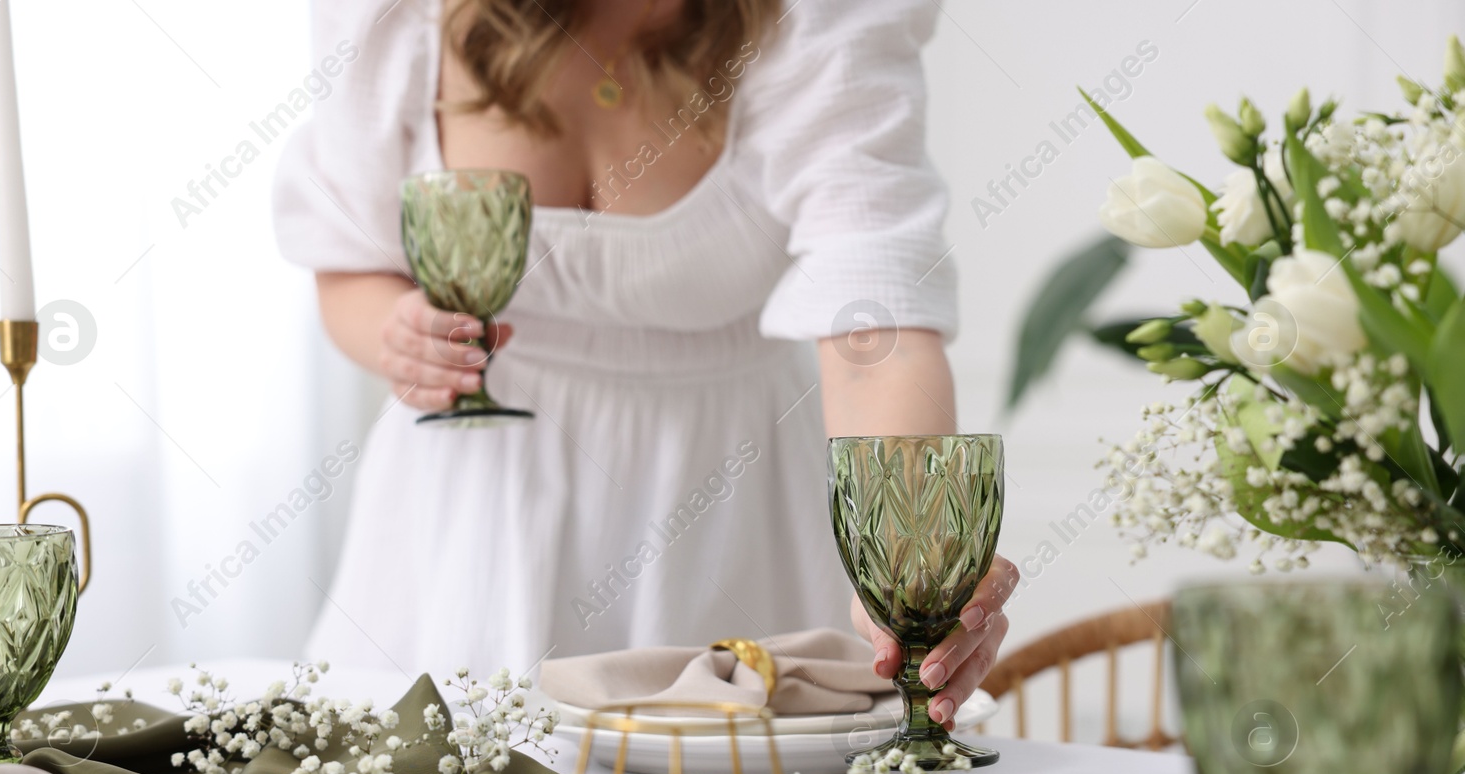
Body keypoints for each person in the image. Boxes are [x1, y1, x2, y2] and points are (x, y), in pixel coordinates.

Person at [273, 0, 1017, 725]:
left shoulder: (823, 17)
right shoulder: (390, 14)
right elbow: (346, 259)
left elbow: (874, 327)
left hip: (730, 512)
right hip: (457, 525)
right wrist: (393, 335)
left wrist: (911, 549)